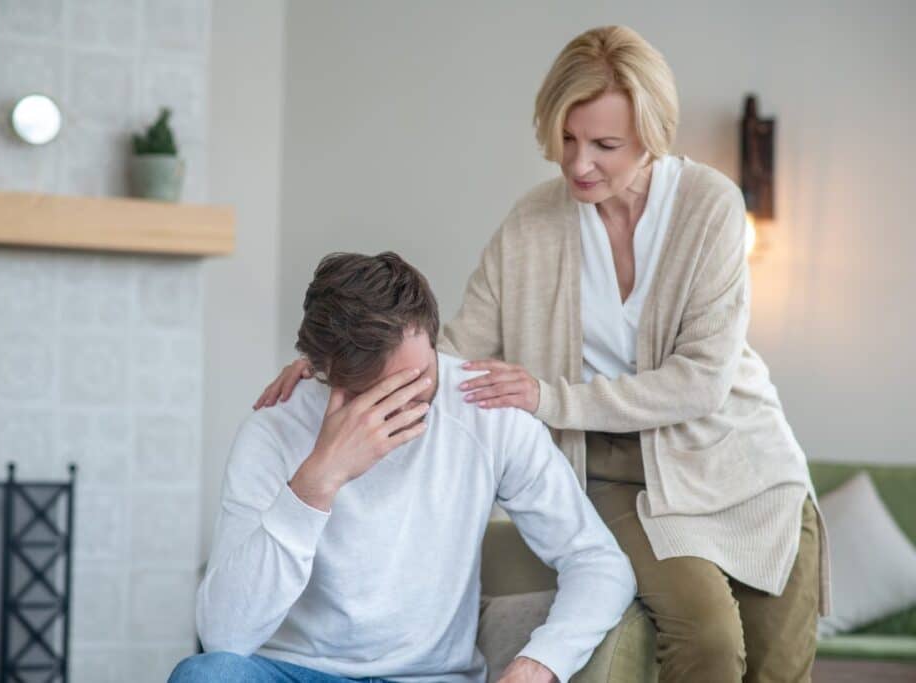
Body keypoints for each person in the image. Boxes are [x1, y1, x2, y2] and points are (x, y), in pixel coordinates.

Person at [255, 26, 828, 683]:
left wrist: (545, 396)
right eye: (567, 138)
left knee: (779, 667)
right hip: (609, 466)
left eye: (605, 145)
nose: (579, 163)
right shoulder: (532, 223)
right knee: (709, 640)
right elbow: (454, 348)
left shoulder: (711, 208)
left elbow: (700, 382)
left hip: (738, 457)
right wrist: (340, 363)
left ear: (652, 134)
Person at [173, 252, 636, 683]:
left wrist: (541, 663)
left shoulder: (488, 414)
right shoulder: (274, 428)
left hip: (428, 678)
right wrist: (317, 481)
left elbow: (599, 563)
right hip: (292, 671)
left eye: (420, 381)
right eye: (379, 394)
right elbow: (224, 639)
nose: (407, 404)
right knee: (204, 675)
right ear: (323, 371)